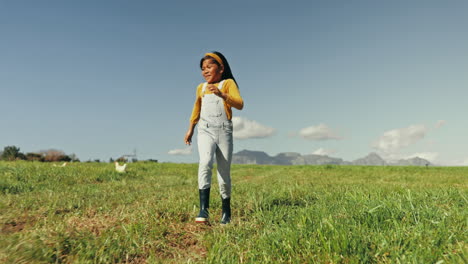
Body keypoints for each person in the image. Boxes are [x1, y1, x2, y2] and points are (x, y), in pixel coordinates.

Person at [184, 51, 244, 224]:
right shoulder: (200, 88)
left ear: (221, 68)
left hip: (224, 131)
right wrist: (190, 129)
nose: (205, 71)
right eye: (203, 68)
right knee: (205, 162)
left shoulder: (228, 83)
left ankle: (226, 211)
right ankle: (204, 209)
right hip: (205, 130)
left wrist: (222, 94)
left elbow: (240, 104)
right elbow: (196, 108)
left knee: (223, 173)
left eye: (209, 67)